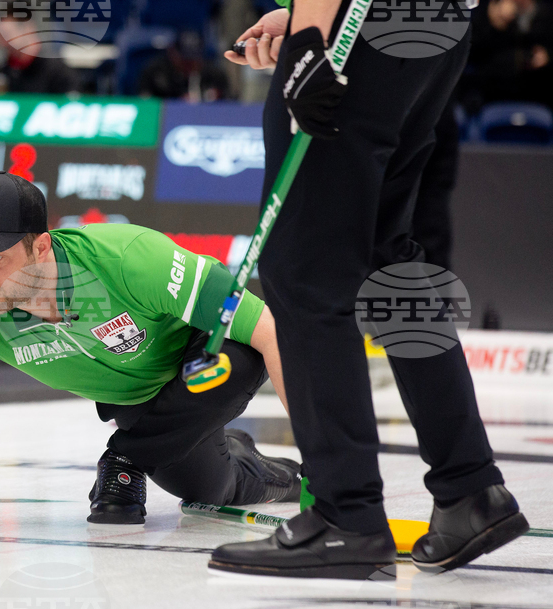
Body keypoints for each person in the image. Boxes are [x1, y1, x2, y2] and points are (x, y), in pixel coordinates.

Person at [209, 3, 528, 579]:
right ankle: (469, 487)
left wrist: (311, 36)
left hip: (357, 30)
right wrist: (304, 17)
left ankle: (344, 515)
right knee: (387, 258)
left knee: (305, 270)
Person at [0, 171, 302, 537]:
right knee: (210, 490)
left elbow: (270, 332)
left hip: (205, 350)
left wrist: (320, 451)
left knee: (233, 364)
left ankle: (125, 455)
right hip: (141, 403)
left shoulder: (128, 258)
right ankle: (262, 466)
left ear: (41, 246)